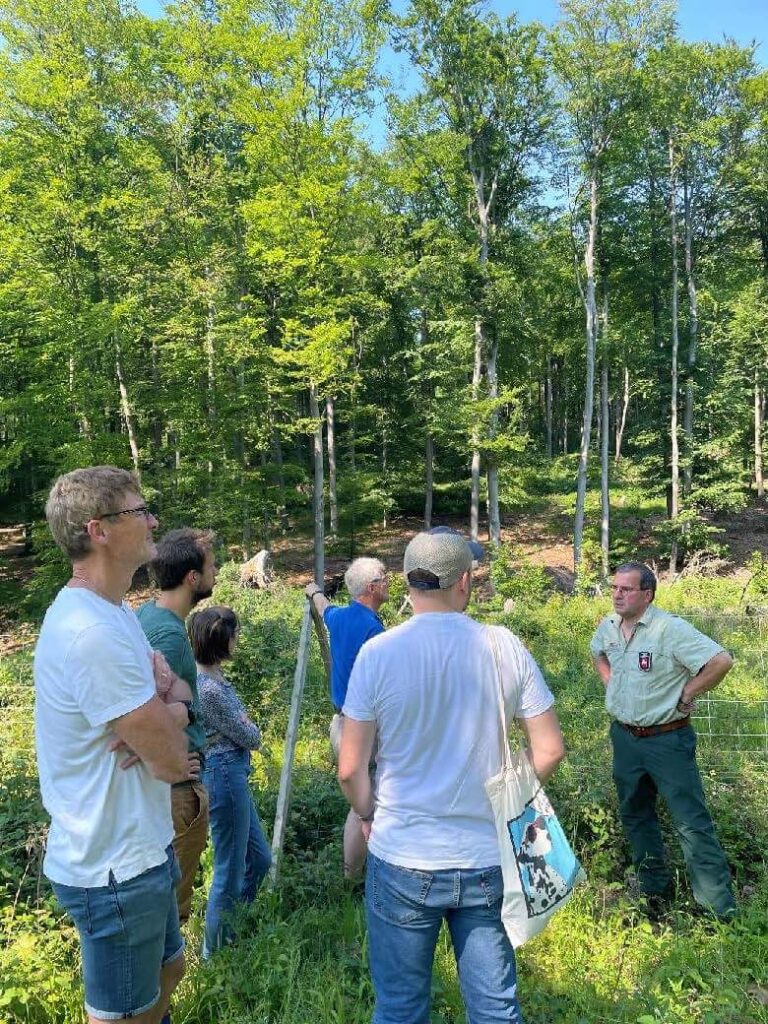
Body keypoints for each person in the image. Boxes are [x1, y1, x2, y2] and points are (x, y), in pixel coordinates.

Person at [338, 531, 565, 1024]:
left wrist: (367, 813)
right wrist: (510, 800)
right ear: (465, 581)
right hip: (487, 855)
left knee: (399, 1006)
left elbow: (351, 768)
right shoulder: (502, 645)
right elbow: (549, 749)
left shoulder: (378, 653)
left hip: (401, 853)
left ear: (405, 582)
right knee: (495, 1007)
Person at [34, 466, 195, 1024]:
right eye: (138, 511)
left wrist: (167, 710)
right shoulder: (92, 632)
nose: (153, 521)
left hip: (142, 847)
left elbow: (179, 699)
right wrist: (168, 717)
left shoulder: (116, 613)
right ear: (97, 529)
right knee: (125, 1016)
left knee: (169, 972)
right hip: (113, 867)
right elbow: (175, 759)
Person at [590, 561, 737, 919]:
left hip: (667, 740)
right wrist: (614, 687)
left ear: (647, 594)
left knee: (690, 821)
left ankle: (717, 909)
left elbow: (720, 661)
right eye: (615, 588)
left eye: (626, 589)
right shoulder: (609, 626)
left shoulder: (668, 629)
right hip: (625, 738)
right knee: (636, 814)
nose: (618, 595)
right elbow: (598, 653)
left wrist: (688, 693)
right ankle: (654, 894)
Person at [138, 528, 217, 925]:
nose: (215, 572)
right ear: (192, 578)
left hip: (172, 785)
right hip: (178, 790)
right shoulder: (167, 633)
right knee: (169, 910)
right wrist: (170, 763)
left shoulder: (151, 615)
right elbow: (146, 712)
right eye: (211, 566)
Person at [191, 605, 272, 956]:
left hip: (233, 773)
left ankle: (233, 926)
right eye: (234, 633)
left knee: (260, 859)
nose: (237, 639)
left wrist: (244, 724)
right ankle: (215, 955)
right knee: (229, 867)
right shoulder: (208, 689)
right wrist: (246, 723)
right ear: (221, 639)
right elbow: (251, 735)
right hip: (223, 776)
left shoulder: (214, 678)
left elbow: (244, 730)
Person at [305, 556, 389, 876]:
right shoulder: (373, 630)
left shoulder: (339, 618)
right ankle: (352, 878)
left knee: (362, 801)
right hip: (364, 731)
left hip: (341, 725)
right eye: (384, 577)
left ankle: (354, 876)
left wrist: (313, 592)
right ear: (371, 588)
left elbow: (324, 607)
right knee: (364, 805)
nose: (388, 581)